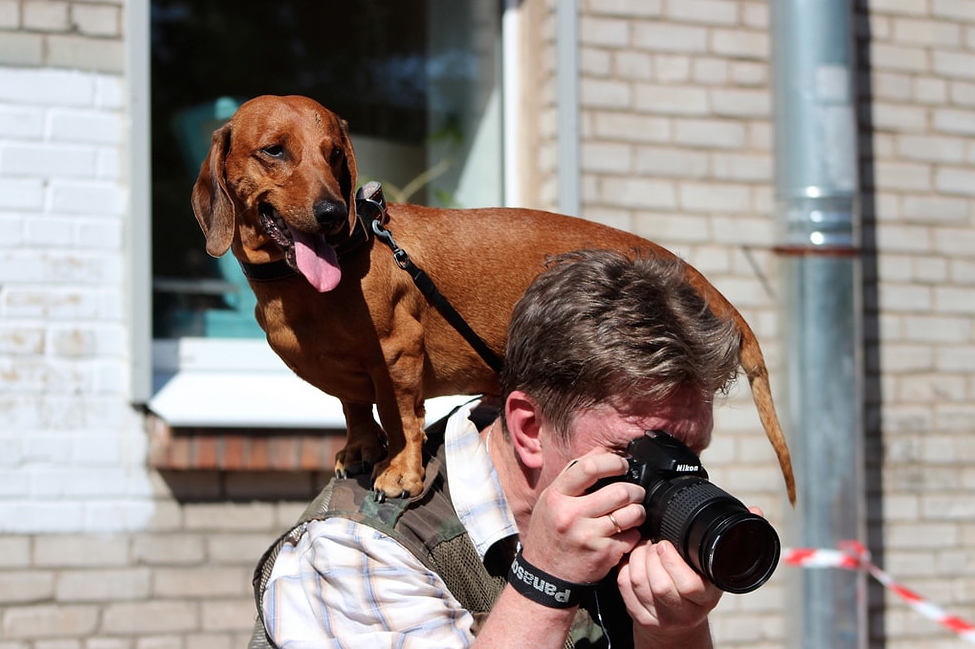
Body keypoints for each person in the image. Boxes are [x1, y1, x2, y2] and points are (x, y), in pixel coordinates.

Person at [252, 249, 746, 649]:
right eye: (642, 450)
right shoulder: (355, 553)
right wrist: (545, 581)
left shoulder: (623, 530)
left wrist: (675, 633)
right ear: (529, 428)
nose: (672, 475)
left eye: (689, 450)